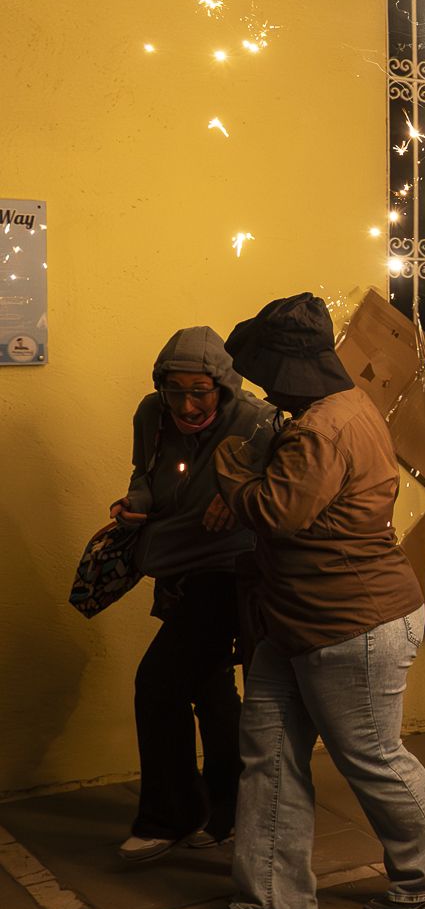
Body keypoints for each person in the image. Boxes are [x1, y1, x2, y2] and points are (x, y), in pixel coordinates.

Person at [198, 293, 425, 909]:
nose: (264, 388)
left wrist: (231, 473)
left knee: (370, 754)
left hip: (351, 624)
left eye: (267, 374)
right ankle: (274, 894)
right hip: (297, 621)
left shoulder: (321, 427)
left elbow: (277, 513)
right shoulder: (341, 406)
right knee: (270, 749)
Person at [109, 328, 276, 861]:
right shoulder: (151, 415)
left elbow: (288, 487)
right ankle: (223, 807)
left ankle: (169, 816)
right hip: (173, 565)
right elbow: (145, 475)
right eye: (174, 390)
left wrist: (241, 496)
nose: (187, 403)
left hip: (228, 571)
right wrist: (135, 501)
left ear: (223, 386)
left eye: (200, 390)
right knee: (209, 689)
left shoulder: (256, 422)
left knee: (157, 683)